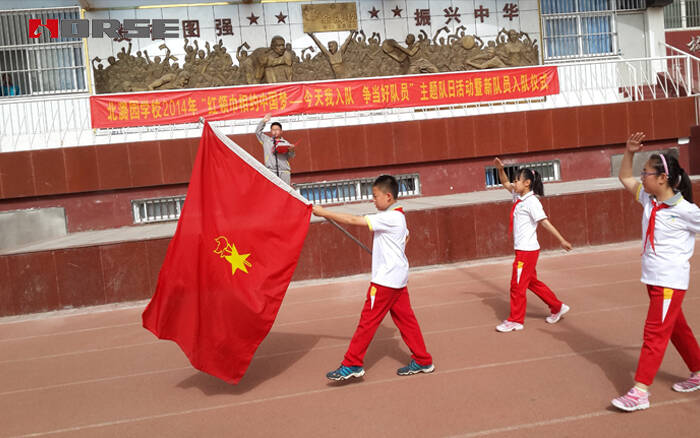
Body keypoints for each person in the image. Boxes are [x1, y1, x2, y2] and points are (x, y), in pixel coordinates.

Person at [312, 175, 434, 380]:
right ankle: (423, 360)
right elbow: (407, 237)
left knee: (367, 322)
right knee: (406, 321)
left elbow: (353, 220)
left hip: (385, 281)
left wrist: (323, 211)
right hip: (397, 277)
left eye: (375, 196)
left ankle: (352, 363)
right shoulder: (399, 216)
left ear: (388, 196)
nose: (373, 199)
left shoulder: (389, 217)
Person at [611, 132, 700, 412]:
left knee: (654, 334)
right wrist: (629, 152)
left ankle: (640, 391)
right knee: (675, 328)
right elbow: (625, 178)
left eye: (646, 172)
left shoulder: (686, 210)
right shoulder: (649, 201)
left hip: (669, 282)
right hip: (653, 279)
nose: (642, 176)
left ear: (662, 178)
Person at [493, 158, 573, 333]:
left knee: (517, 285)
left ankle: (515, 320)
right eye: (514, 180)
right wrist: (500, 170)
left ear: (527, 183)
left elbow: (544, 222)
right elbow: (505, 183)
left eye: (517, 180)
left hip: (526, 252)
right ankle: (557, 306)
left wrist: (561, 240)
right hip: (523, 250)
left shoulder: (532, 202)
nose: (514, 183)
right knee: (531, 282)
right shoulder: (518, 195)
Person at [255, 114, 295, 185]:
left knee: (285, 193)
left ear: (281, 131)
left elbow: (291, 156)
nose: (275, 131)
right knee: (272, 191)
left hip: (284, 171)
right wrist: (263, 121)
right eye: (273, 130)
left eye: (277, 129)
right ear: (271, 131)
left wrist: (291, 150)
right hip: (271, 171)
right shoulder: (266, 140)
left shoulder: (286, 143)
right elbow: (258, 132)